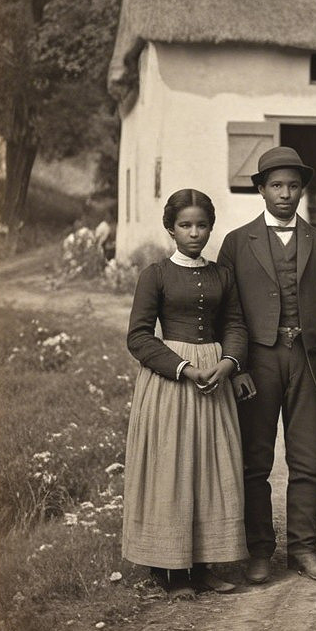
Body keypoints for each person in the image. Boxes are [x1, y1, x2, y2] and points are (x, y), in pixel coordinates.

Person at [217, 146, 316, 584]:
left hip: (306, 361)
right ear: (261, 190)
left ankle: (304, 549)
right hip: (259, 362)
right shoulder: (237, 242)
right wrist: (238, 367)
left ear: (302, 190)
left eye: (292, 186)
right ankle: (259, 551)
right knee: (256, 462)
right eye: (276, 186)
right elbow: (227, 313)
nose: (285, 194)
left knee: (308, 460)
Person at [123, 189, 255, 598]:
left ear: (210, 227)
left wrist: (228, 363)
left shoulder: (221, 275)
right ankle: (172, 571)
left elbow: (235, 324)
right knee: (172, 467)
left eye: (201, 225)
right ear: (170, 229)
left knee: (208, 467)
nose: (194, 233)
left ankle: (202, 565)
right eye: (185, 226)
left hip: (213, 379)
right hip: (170, 382)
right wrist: (183, 368)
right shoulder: (156, 274)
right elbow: (139, 337)